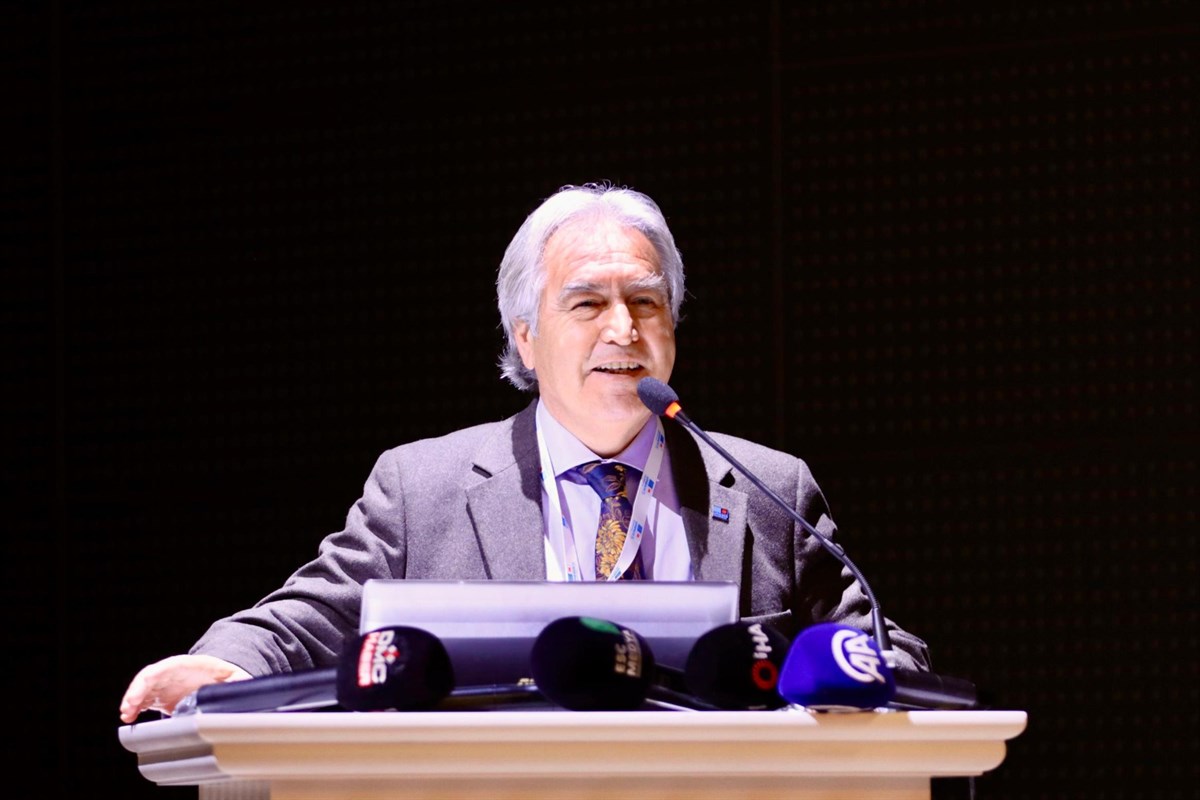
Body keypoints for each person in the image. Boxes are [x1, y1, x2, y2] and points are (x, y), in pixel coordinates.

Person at [119, 182, 930, 723]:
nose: (623, 328)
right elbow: (314, 617)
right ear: (528, 338)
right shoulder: (423, 488)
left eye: (646, 302)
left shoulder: (766, 488)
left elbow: (881, 650)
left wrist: (858, 685)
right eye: (587, 304)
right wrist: (225, 665)